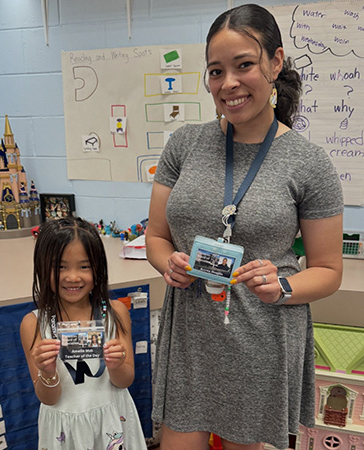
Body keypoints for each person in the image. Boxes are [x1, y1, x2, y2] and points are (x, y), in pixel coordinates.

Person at [146, 4, 344, 450]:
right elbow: (156, 238)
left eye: (244, 65)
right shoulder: (185, 145)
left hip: (262, 339)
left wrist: (284, 287)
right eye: (216, 71)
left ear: (274, 63)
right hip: (192, 335)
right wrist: (168, 264)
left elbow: (329, 270)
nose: (228, 83)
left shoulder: (310, 164)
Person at [20, 217, 147, 450]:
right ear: (41, 267)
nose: (73, 277)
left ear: (98, 268)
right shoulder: (34, 324)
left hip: (113, 420)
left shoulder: (115, 311)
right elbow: (49, 398)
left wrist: (117, 364)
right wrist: (47, 371)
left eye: (84, 266)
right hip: (64, 430)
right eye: (60, 267)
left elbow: (125, 381)